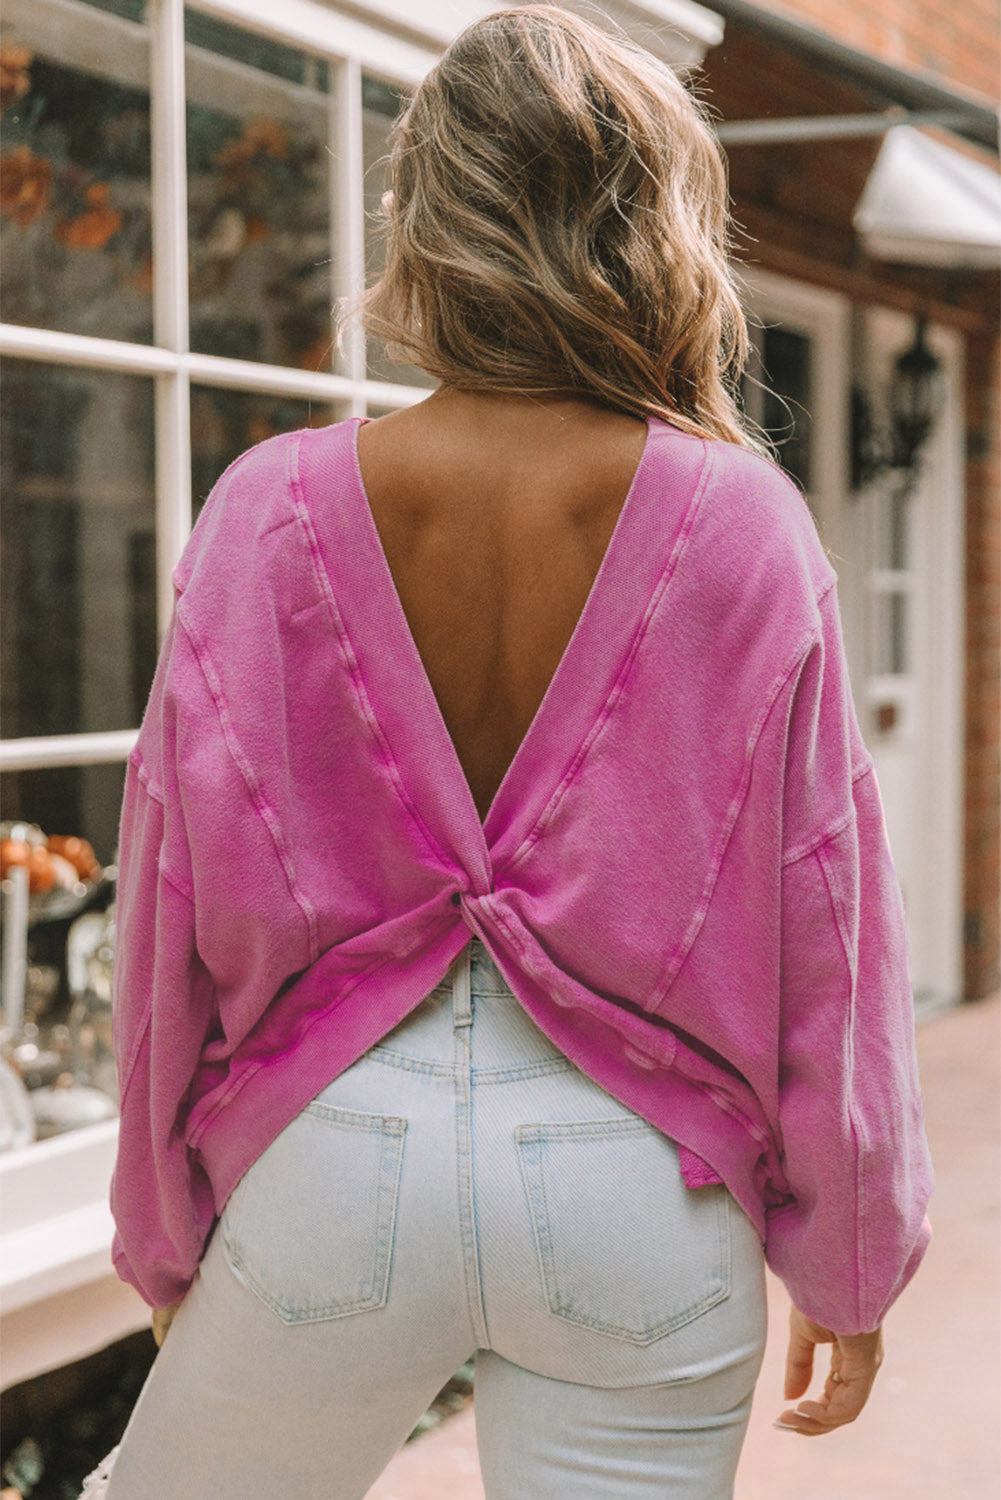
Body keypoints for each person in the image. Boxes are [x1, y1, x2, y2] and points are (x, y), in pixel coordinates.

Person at [89, 7, 933, 1497]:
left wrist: (163, 1227)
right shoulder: (742, 521)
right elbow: (830, 918)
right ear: (661, 221)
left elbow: (169, 885)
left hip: (328, 1160)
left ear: (428, 216)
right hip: (641, 1194)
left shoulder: (265, 507)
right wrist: (849, 1257)